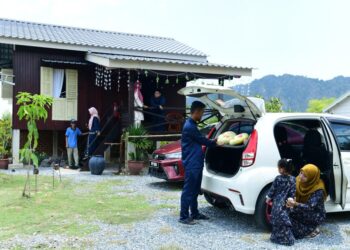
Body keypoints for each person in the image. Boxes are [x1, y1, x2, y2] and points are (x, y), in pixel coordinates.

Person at [179, 101, 217, 225]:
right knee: (189, 190)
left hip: (195, 162)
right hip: (192, 163)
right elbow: (202, 140)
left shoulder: (191, 124)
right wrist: (216, 142)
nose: (201, 115)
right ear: (196, 111)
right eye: (201, 112)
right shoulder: (189, 127)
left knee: (195, 190)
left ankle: (194, 213)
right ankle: (184, 217)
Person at [286, 164, 327, 239]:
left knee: (290, 216)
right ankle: (306, 227)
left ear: (311, 178)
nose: (301, 177)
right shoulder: (298, 180)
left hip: (315, 214)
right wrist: (290, 200)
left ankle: (311, 229)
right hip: (301, 207)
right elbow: (291, 192)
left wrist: (295, 204)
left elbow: (310, 207)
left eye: (305, 176)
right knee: (286, 214)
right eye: (301, 173)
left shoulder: (318, 190)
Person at [266, 159, 296, 246]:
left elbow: (272, 190)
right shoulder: (293, 179)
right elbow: (292, 192)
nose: (278, 169)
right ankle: (286, 238)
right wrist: (291, 200)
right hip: (286, 203)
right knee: (285, 220)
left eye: (278, 168)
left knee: (276, 220)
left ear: (282, 169)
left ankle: (276, 238)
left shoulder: (278, 178)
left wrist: (268, 198)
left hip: (277, 203)